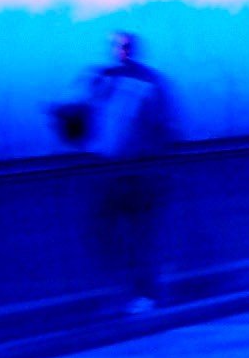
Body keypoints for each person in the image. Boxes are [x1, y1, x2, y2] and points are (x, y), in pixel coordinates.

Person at [66, 32, 178, 314]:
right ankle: (138, 293)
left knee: (132, 234)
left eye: (121, 46)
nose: (118, 51)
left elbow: (91, 124)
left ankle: (140, 293)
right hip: (125, 171)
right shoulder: (133, 80)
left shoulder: (118, 80)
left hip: (133, 172)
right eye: (116, 46)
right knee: (130, 234)